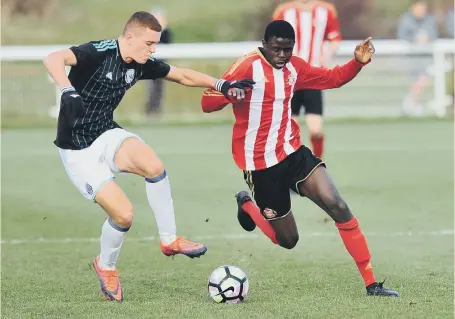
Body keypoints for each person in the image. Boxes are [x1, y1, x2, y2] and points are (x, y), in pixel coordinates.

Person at [43, 11, 254, 302]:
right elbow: (52, 58)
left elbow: (181, 75)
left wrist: (223, 85)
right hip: (77, 150)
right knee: (124, 215)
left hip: (106, 134)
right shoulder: (97, 53)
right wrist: (67, 90)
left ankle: (169, 240)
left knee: (154, 165)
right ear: (129, 37)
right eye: (149, 43)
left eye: (155, 44)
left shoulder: (139, 63)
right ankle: (105, 267)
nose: (153, 49)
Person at [201, 20, 400, 297]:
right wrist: (227, 93)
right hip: (260, 165)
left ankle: (371, 283)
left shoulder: (295, 66)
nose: (282, 55)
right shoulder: (247, 66)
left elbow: (332, 79)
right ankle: (246, 204)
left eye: (287, 49)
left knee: (338, 205)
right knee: (288, 240)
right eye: (276, 49)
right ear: (264, 44)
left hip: (293, 153)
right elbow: (206, 102)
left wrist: (357, 63)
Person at [272, 0, 342, 159]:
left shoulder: (326, 10)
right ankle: (290, 167)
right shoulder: (283, 11)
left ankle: (317, 163)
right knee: (289, 130)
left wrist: (328, 55)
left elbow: (335, 38)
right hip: (288, 78)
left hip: (313, 77)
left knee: (316, 130)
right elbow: (272, 41)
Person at [397, 0, 439, 116]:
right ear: (413, 7)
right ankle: (412, 103)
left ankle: (411, 102)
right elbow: (402, 36)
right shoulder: (406, 20)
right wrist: (415, 39)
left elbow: (434, 35)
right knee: (415, 81)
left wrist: (427, 38)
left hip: (426, 58)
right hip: (412, 59)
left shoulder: (429, 20)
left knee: (423, 80)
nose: (421, 10)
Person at [145, 8, 172, 117]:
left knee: (160, 89)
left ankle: (157, 110)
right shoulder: (149, 32)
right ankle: (149, 111)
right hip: (149, 64)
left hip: (162, 65)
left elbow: (167, 44)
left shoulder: (166, 32)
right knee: (150, 89)